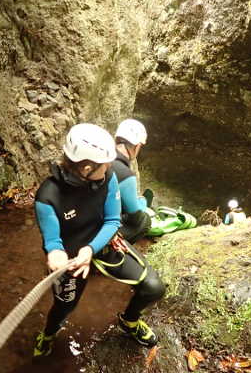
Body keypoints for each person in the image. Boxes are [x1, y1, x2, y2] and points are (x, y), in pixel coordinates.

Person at [33, 123, 165, 357]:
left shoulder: (108, 177)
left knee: (153, 288)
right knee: (64, 307)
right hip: (72, 259)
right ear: (86, 167)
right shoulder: (48, 196)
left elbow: (113, 220)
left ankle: (129, 322)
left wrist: (91, 249)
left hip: (103, 244)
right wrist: (56, 254)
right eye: (104, 164)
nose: (109, 167)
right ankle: (49, 334)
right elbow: (52, 241)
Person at [111, 119, 153, 244]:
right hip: (100, 229)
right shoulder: (125, 174)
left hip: (84, 220)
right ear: (137, 146)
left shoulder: (103, 158)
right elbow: (136, 218)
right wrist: (142, 204)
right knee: (144, 221)